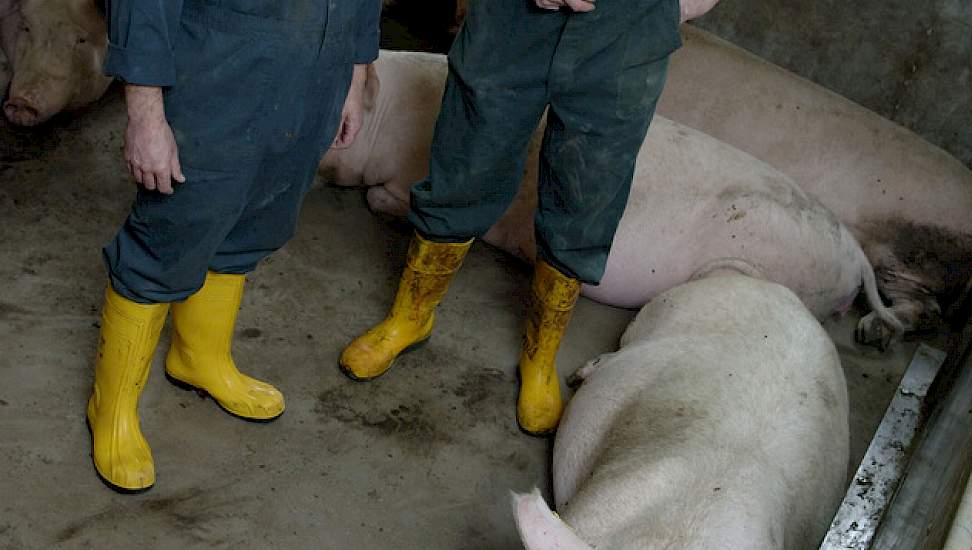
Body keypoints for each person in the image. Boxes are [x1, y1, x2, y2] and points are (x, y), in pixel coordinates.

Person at [339, 0, 720, 436]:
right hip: (515, 16)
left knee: (589, 185)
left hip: (626, 27)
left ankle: (541, 355)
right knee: (469, 154)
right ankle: (410, 315)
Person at [89, 0, 381, 492]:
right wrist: (145, 115)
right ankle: (111, 407)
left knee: (255, 222)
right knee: (171, 233)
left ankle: (199, 357)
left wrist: (354, 75)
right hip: (216, 75)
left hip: (314, 76)